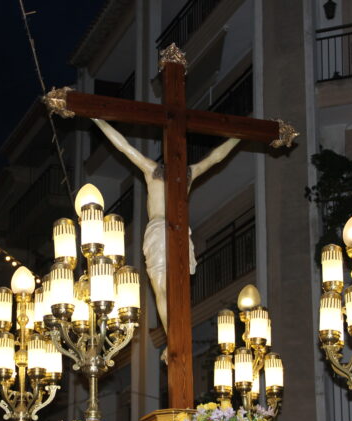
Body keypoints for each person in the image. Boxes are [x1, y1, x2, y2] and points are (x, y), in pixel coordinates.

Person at [91, 118, 241, 335]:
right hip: (180, 229)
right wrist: (240, 138)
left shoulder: (152, 170)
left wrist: (97, 119)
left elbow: (123, 146)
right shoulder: (189, 174)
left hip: (160, 230)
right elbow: (216, 157)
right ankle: (178, 335)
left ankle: (174, 338)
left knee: (161, 288)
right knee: (178, 289)